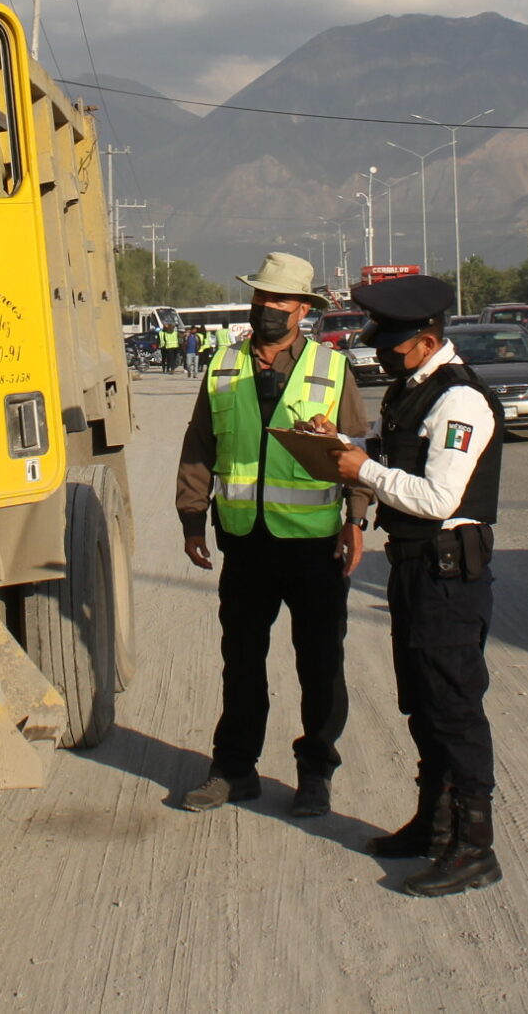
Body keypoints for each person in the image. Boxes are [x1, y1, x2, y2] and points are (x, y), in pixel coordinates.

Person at [319, 273, 506, 898]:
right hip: (416, 569)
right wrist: (342, 446)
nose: (380, 354)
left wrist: (363, 469)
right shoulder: (412, 390)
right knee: (422, 702)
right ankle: (433, 824)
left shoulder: (460, 402)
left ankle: (474, 846)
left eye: (392, 346)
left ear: (426, 342)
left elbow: (438, 496)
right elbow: (394, 456)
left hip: (448, 572)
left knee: (454, 708)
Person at [173, 252, 370, 819]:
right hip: (246, 542)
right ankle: (234, 770)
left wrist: (355, 519)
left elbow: (357, 450)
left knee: (319, 665)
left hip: (314, 546)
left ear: (303, 310)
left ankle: (315, 774)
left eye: (279, 300)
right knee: (241, 660)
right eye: (261, 297)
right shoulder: (223, 365)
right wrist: (192, 517)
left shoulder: (331, 370)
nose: (266, 308)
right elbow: (199, 447)